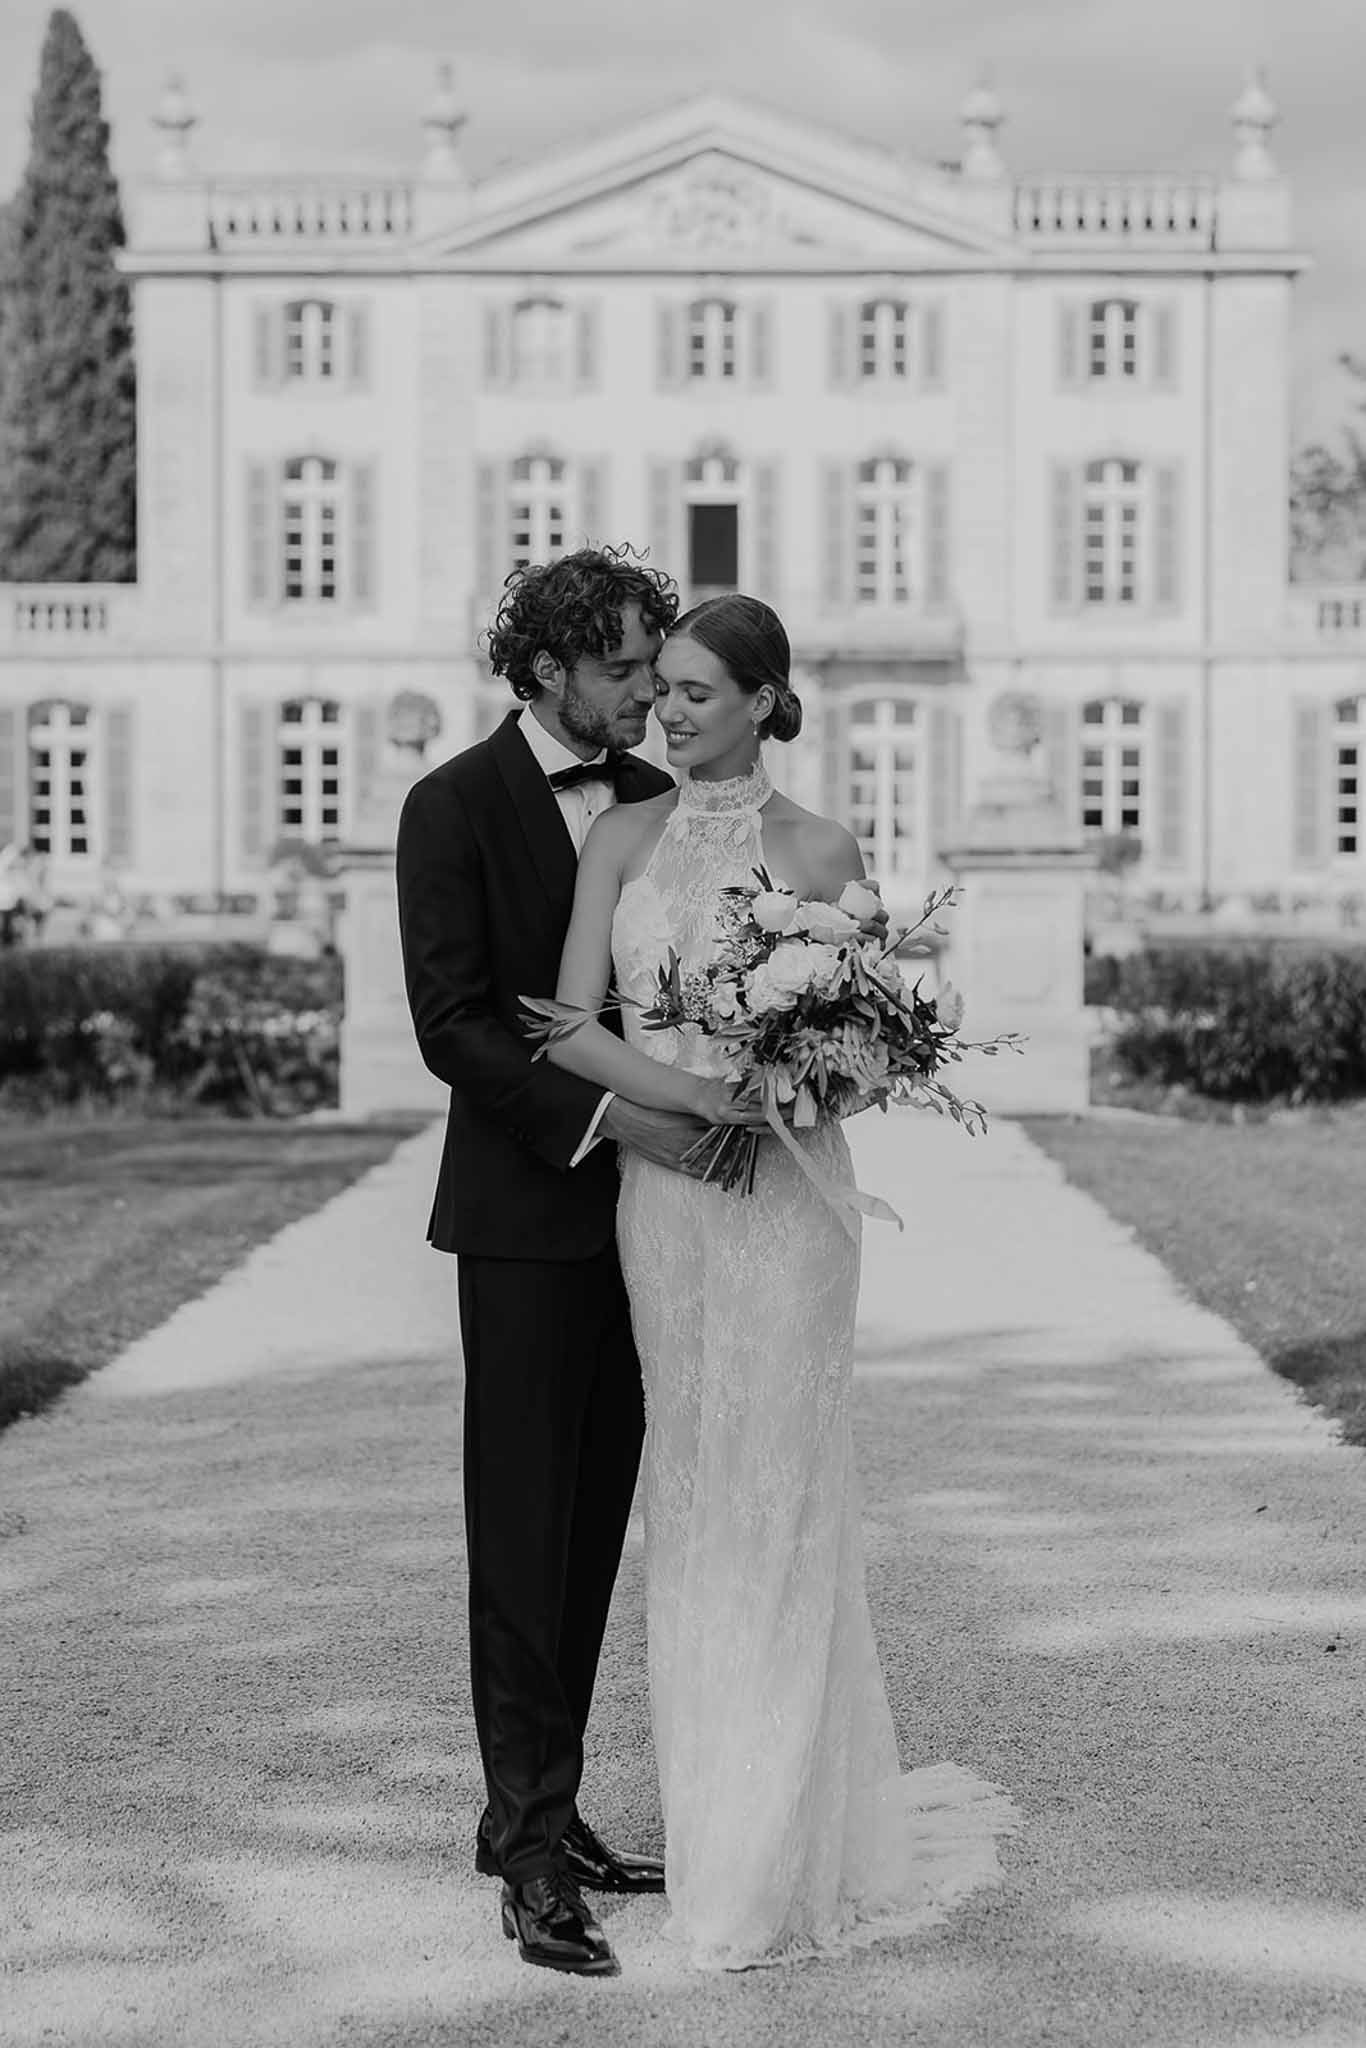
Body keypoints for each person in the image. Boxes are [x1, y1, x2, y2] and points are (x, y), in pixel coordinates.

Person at [545, 592, 1019, 1972]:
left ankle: (772, 1855)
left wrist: (794, 1081)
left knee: (782, 1492)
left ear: (763, 699)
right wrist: (690, 1111)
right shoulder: (618, 836)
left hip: (790, 1208)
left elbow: (869, 1052)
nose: (667, 710)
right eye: (662, 689)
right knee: (692, 1494)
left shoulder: (820, 844)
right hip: (669, 1197)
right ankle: (717, 1834)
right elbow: (568, 1023)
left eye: (696, 690)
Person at [396, 547, 713, 1981]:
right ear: (546, 672)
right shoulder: (448, 806)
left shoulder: (662, 804)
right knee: (522, 1535)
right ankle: (527, 1858)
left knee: (593, 1530)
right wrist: (617, 1119)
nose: (651, 692)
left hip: (662, 1233)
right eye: (627, 670)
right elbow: (455, 1024)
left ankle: (548, 1805)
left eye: (657, 668)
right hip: (527, 1222)